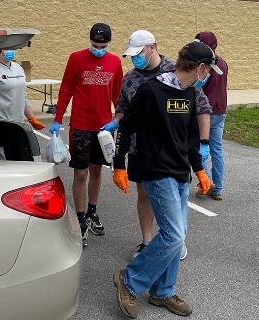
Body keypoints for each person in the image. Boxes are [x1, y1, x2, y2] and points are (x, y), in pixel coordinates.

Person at [112, 41, 221, 319]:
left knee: (177, 235)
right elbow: (126, 126)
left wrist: (199, 169)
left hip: (179, 171)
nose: (208, 75)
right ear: (198, 67)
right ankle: (130, 280)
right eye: (208, 69)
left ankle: (162, 292)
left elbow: (190, 137)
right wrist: (118, 165)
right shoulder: (152, 90)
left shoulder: (191, 94)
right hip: (155, 171)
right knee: (174, 236)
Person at [102, 30, 213, 260]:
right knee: (144, 195)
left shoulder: (178, 71)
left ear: (152, 48)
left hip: (174, 151)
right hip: (139, 149)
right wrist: (114, 124)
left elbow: (200, 107)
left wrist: (203, 143)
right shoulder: (131, 78)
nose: (134, 59)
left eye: (138, 53)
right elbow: (123, 110)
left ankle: (170, 241)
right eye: (131, 55)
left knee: (171, 200)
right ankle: (148, 241)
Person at [48, 23, 123, 247]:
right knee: (80, 174)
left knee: (97, 171)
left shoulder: (115, 62)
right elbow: (66, 89)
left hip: (103, 129)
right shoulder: (76, 58)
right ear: (89, 41)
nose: (98, 48)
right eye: (94, 44)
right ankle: (80, 219)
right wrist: (57, 118)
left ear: (109, 43)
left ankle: (92, 212)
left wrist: (118, 120)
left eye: (102, 45)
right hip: (80, 125)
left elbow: (118, 94)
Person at [194, 32, 228, 200]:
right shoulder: (223, 62)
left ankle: (207, 182)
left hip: (205, 113)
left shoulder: (201, 64)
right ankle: (218, 188)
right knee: (216, 150)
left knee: (196, 147)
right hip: (221, 109)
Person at [0, 50, 45, 130]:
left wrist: (32, 119)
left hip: (17, 123)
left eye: (12, 47)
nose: (11, 50)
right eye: (7, 48)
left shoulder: (18, 67)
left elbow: (23, 97)